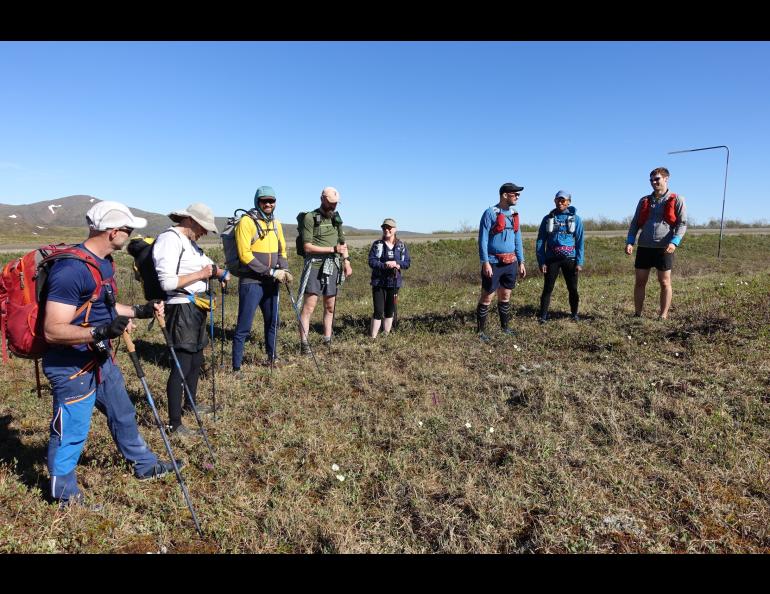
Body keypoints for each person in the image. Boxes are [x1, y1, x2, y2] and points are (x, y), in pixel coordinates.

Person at [42, 200, 176, 507]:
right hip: (72, 365)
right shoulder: (71, 271)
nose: (129, 235)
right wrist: (100, 332)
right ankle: (64, 496)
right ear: (113, 231)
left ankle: (144, 464)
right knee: (71, 431)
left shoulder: (102, 262)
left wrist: (139, 311)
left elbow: (102, 305)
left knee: (123, 412)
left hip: (99, 358)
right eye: (127, 230)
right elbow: (52, 329)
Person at [153, 202, 229, 438]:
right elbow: (166, 283)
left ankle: (191, 404)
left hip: (195, 307)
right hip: (180, 309)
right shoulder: (169, 240)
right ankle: (175, 425)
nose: (205, 232)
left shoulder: (190, 243)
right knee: (181, 365)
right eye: (204, 227)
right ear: (190, 221)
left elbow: (205, 266)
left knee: (196, 360)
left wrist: (218, 273)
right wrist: (201, 275)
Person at [231, 186, 292, 372]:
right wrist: (272, 272)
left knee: (272, 322)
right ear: (257, 201)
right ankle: (236, 367)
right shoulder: (246, 222)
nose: (268, 204)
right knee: (244, 326)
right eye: (264, 201)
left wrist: (285, 269)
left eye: (271, 201)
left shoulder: (276, 223)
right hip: (251, 282)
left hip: (271, 283)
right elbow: (245, 255)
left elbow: (282, 250)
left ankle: (272, 358)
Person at [625, 167, 687, 319]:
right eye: (651, 180)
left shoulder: (677, 199)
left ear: (666, 179)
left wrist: (675, 242)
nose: (654, 182)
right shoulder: (644, 200)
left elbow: (682, 224)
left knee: (664, 282)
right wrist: (630, 241)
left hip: (664, 248)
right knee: (640, 281)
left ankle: (663, 315)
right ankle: (637, 314)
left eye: (657, 179)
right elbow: (634, 223)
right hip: (644, 247)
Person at [298, 187, 353, 353]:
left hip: (333, 266)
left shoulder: (336, 218)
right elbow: (307, 247)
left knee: (330, 306)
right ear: (322, 199)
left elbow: (342, 244)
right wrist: (332, 249)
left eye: (336, 204)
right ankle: (304, 345)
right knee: (309, 307)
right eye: (330, 203)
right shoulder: (310, 218)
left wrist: (347, 262)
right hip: (314, 267)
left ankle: (327, 340)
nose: (333, 207)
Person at [476, 182, 527, 341]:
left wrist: (521, 261)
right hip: (493, 262)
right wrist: (485, 262)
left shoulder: (514, 214)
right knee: (487, 297)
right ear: (505, 195)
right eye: (515, 194)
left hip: (510, 262)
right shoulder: (490, 213)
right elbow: (483, 239)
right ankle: (480, 332)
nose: (518, 196)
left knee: (505, 296)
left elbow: (517, 239)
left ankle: (505, 328)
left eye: (518, 194)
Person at [536, 191, 585, 323]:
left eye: (563, 200)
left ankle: (574, 314)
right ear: (554, 200)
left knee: (573, 288)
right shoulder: (548, 219)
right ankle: (543, 316)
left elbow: (580, 241)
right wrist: (542, 261)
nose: (560, 202)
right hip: (551, 259)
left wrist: (579, 262)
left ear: (569, 202)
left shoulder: (576, 219)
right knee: (548, 288)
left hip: (570, 258)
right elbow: (541, 240)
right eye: (558, 200)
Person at [367, 218, 411, 338]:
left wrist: (397, 264)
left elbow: (407, 263)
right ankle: (373, 338)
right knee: (378, 311)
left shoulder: (401, 246)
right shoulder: (377, 245)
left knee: (389, 310)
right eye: (384, 228)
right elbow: (371, 261)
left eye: (389, 228)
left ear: (395, 229)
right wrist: (384, 265)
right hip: (378, 282)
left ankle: (386, 336)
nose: (386, 230)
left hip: (394, 282)